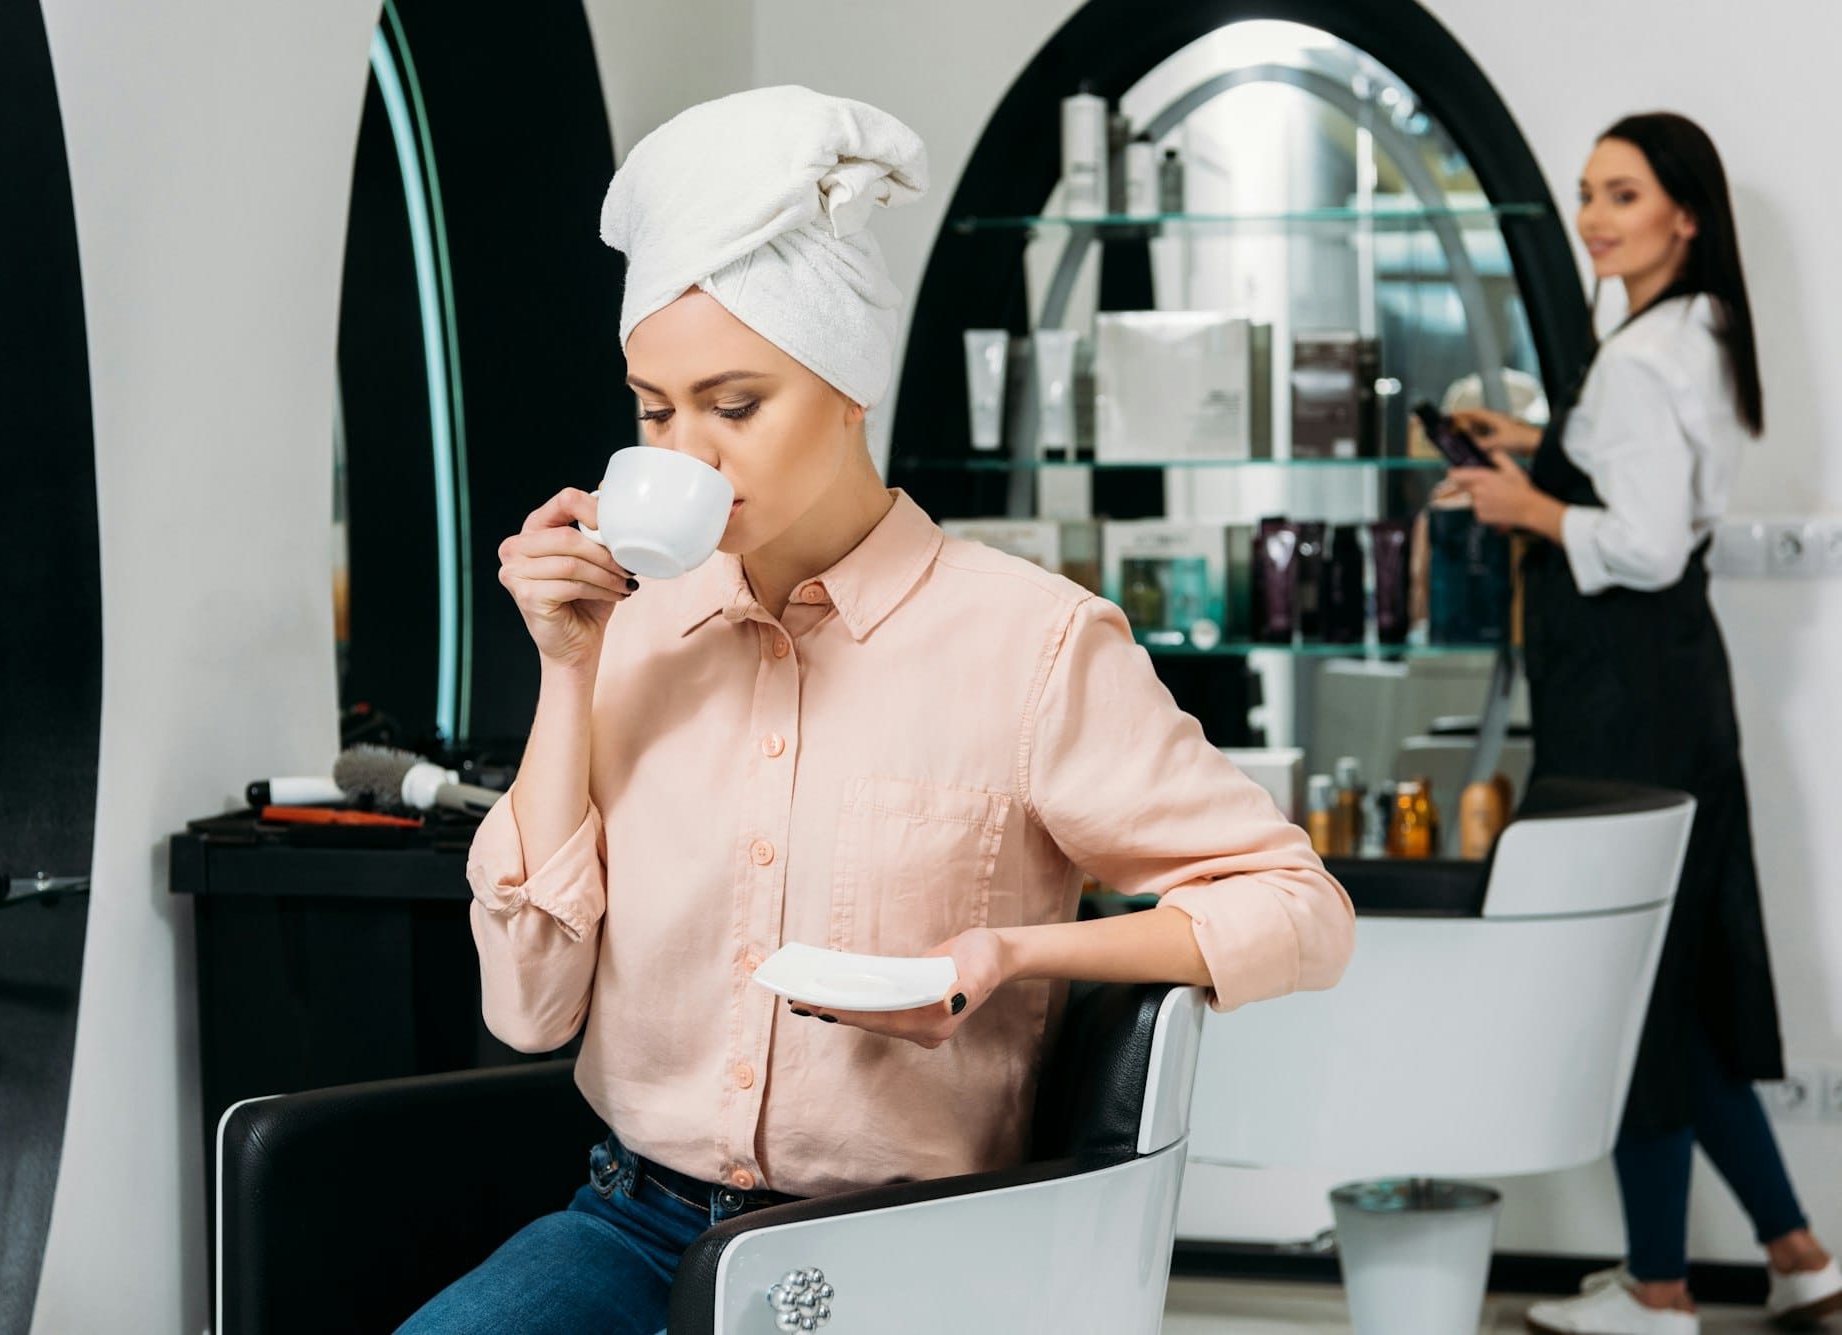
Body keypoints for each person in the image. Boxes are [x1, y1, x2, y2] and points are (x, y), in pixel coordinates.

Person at [393, 85, 1355, 1335]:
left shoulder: (1031, 644)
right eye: (655, 410)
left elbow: (1299, 911)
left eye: (735, 405)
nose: (687, 455)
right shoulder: (628, 632)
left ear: (849, 390)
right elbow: (526, 1012)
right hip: (633, 1227)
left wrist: (1010, 955)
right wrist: (567, 667)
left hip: (899, 1260)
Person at [1449, 112, 1839, 1335]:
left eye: (1621, 195)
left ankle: (1658, 1290)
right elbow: (1649, 480)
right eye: (1586, 193)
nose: (1592, 219)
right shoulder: (1701, 331)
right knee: (1678, 980)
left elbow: (1644, 541)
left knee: (1629, 982)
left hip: (1620, 702)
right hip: (1680, 689)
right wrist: (1543, 448)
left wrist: (1524, 503)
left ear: (1684, 213)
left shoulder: (1631, 360)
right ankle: (1796, 1256)